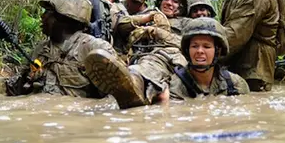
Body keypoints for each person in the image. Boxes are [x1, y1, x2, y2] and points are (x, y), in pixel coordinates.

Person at [84, 17, 250, 109]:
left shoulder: (235, 85)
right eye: (194, 46)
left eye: (206, 46)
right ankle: (136, 82)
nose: (200, 51)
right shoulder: (176, 85)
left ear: (218, 51)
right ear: (187, 50)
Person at [6, 0, 116, 97]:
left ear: (62, 17)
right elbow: (16, 87)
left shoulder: (94, 49)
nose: (42, 17)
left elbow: (115, 100)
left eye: (47, 12)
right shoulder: (41, 49)